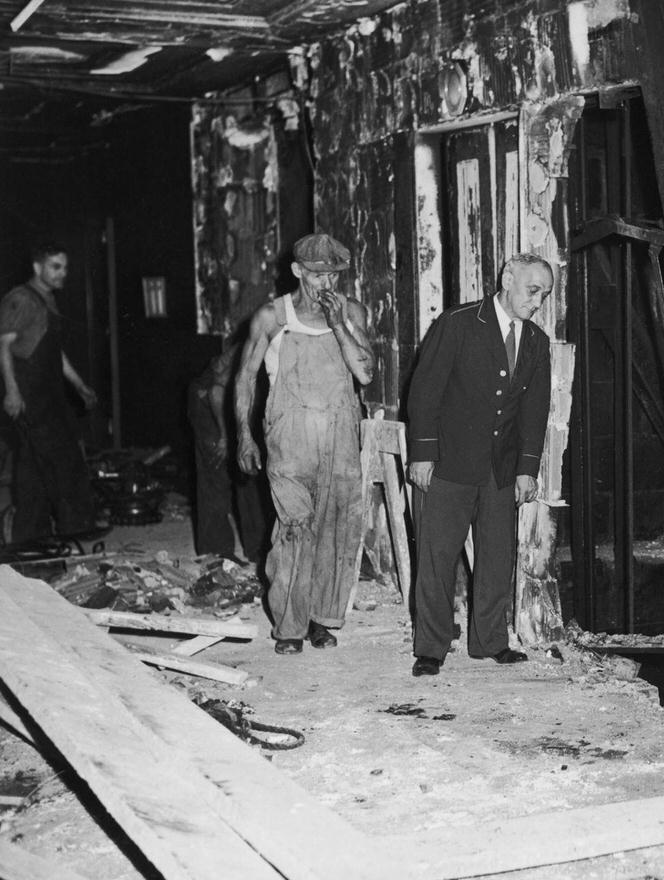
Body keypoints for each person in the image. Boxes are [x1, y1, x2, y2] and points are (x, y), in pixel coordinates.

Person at [406, 252, 554, 677]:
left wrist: (527, 468)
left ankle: (490, 641)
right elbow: (425, 391)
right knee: (437, 558)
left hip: (500, 470)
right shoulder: (458, 323)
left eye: (543, 295)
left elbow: (534, 409)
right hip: (449, 464)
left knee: (496, 558)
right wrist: (422, 454)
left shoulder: (536, 342)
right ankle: (430, 648)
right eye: (532, 291)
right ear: (507, 277)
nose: (537, 302)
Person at [234, 233, 374, 654]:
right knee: (294, 529)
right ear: (298, 271)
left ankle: (321, 620)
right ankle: (290, 627)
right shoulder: (272, 317)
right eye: (316, 275)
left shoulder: (352, 312)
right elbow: (244, 378)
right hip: (289, 439)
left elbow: (365, 373)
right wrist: (244, 434)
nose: (325, 284)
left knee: (336, 530)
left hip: (341, 436)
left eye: (333, 275)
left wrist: (339, 326)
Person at [0, 242, 100, 544]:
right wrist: (12, 392)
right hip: (30, 393)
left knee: (43, 466)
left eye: (65, 267)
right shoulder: (21, 299)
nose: (63, 273)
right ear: (37, 267)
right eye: (56, 267)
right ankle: (37, 538)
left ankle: (39, 540)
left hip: (51, 393)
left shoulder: (48, 301)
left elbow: (55, 354)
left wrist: (78, 384)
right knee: (48, 464)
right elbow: (2, 346)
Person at [187, 330, 271, 564]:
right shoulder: (252, 348)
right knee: (216, 472)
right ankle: (215, 550)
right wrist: (225, 438)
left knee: (250, 471)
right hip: (209, 398)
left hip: (234, 400)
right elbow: (216, 391)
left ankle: (258, 548)